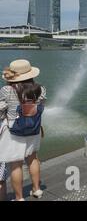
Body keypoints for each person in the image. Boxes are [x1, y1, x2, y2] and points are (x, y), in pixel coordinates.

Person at [0, 60, 46, 201]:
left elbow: (1, 110)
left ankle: (19, 198)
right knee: (32, 158)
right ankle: (37, 189)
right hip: (34, 128)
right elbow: (40, 107)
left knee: (16, 165)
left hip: (14, 131)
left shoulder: (7, 90)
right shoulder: (41, 89)